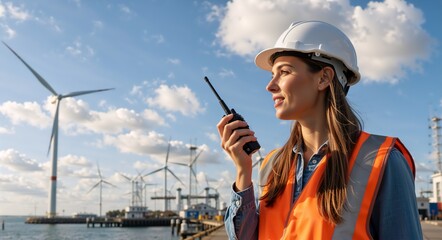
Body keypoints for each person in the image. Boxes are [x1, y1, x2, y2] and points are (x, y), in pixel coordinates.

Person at [217, 20, 423, 239]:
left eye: (284, 72)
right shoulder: (272, 165)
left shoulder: (383, 161)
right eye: (272, 75)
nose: (270, 86)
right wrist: (242, 172)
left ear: (324, 78)